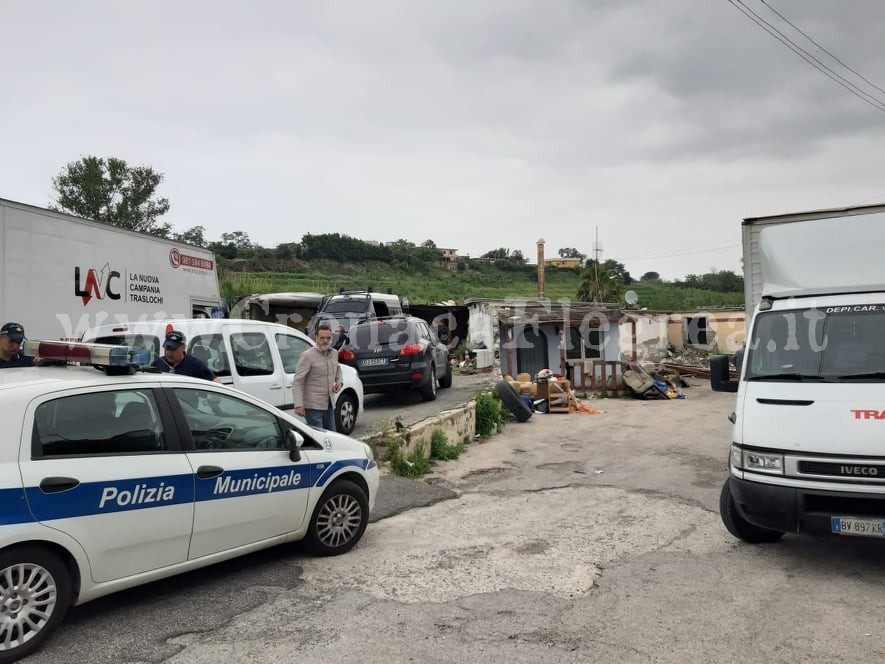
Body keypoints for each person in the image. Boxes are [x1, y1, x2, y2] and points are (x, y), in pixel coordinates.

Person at [293, 322, 342, 430]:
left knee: (332, 436)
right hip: (313, 407)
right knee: (319, 440)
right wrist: (298, 405)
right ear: (316, 338)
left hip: (329, 404)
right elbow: (298, 381)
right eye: (322, 338)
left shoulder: (334, 353)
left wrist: (339, 382)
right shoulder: (307, 356)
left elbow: (337, 369)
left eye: (328, 338)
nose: (325, 341)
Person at [152, 330, 216, 381]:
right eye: (167, 349)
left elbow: (215, 381)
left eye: (173, 349)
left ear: (183, 347)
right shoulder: (158, 363)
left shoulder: (195, 365)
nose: (169, 353)